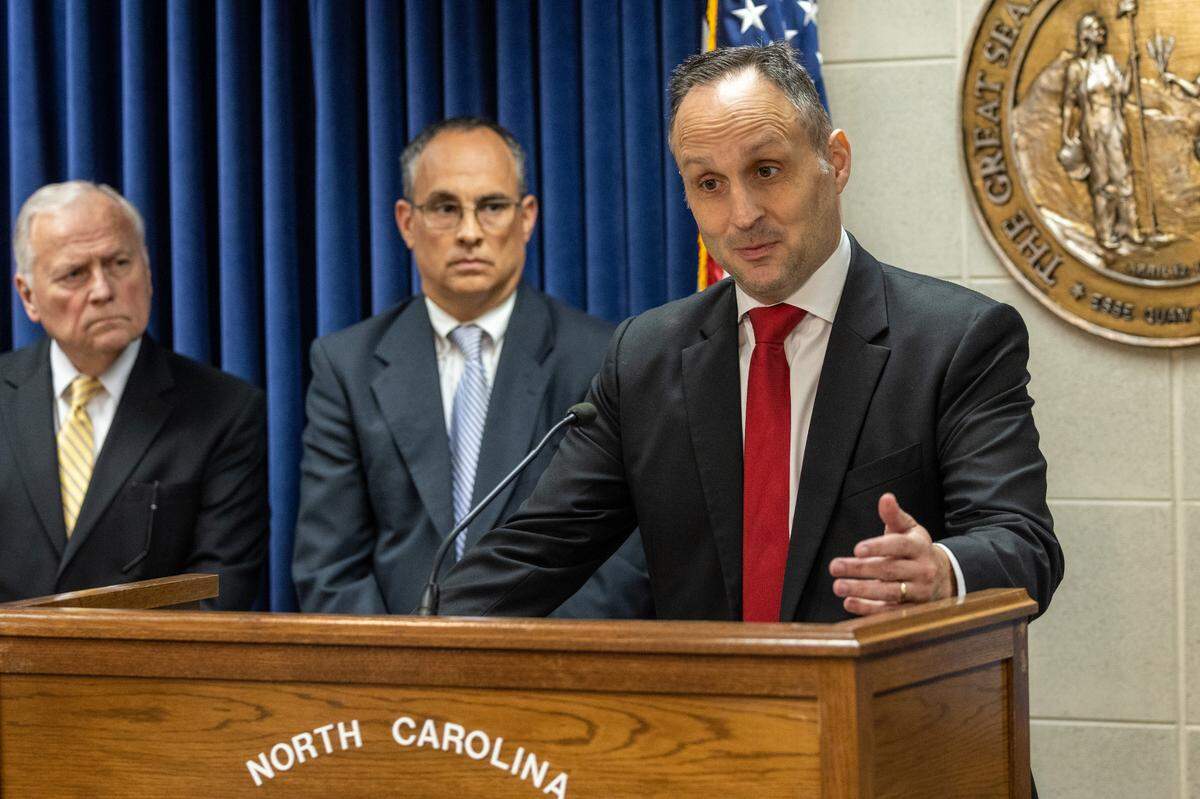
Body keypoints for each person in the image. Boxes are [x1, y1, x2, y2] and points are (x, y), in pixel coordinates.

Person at [437, 43, 1062, 624]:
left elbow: (1023, 546)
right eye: (709, 184)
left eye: (766, 170)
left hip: (885, 721)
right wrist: (390, 653)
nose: (742, 215)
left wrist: (944, 573)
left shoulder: (957, 341)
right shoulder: (645, 357)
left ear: (835, 162)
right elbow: (535, 554)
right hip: (709, 731)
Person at [292, 117, 652, 618]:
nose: (469, 233)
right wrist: (399, 672)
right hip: (394, 679)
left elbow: (624, 562)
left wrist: (515, 669)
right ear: (406, 222)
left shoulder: (601, 357)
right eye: (444, 208)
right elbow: (330, 568)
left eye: (491, 207)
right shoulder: (345, 366)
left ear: (526, 218)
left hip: (551, 676)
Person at [0, 181, 268, 608]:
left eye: (119, 263)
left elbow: (217, 595)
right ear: (28, 296)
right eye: (75, 274)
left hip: (148, 672)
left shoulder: (225, 411)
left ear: (147, 271)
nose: (103, 290)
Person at [1059, 5, 1144, 249]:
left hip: (1114, 125)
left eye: (1102, 28)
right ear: (1084, 34)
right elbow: (1068, 103)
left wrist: (1131, 66)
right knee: (1102, 182)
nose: (1102, 32)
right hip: (1092, 129)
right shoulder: (1077, 68)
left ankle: (1130, 228)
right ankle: (1105, 232)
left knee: (1123, 176)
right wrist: (1066, 133)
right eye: (1096, 28)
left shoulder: (1108, 62)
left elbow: (1123, 90)